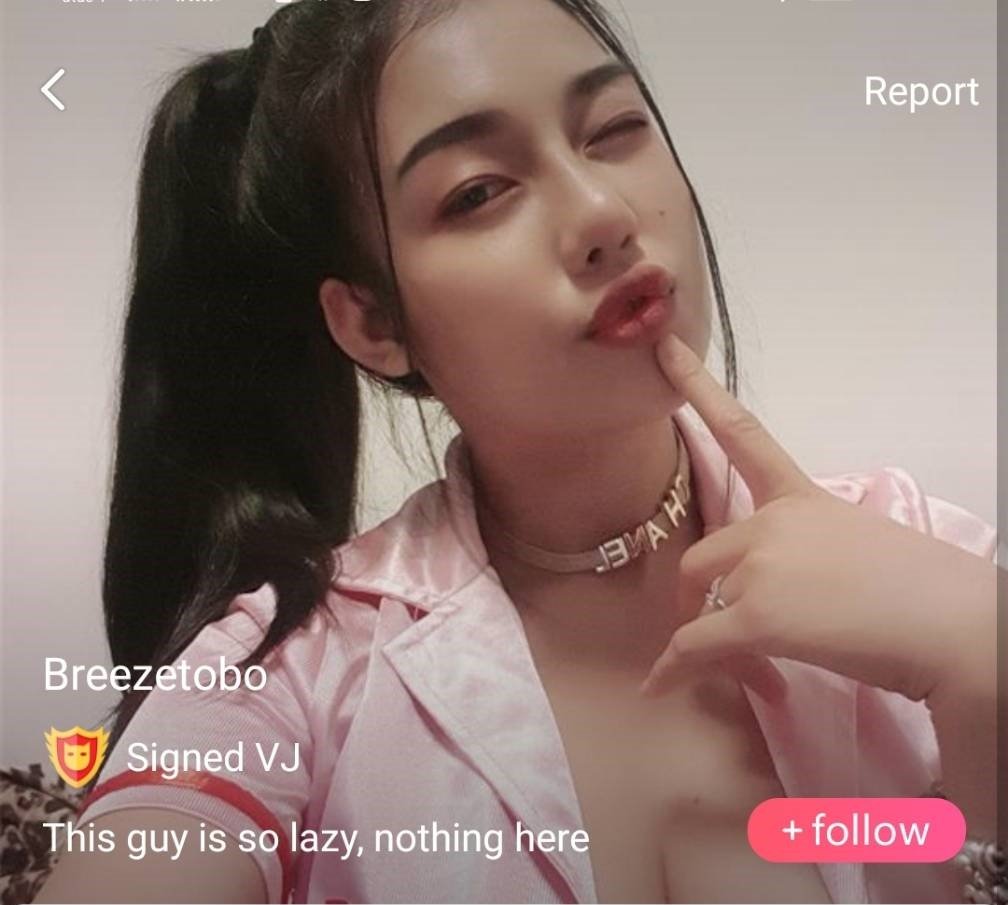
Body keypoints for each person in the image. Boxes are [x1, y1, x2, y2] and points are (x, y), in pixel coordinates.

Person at [36, 0, 1001, 902]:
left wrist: (983, 660)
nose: (603, 212)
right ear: (374, 323)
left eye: (613, 129)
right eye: (479, 192)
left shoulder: (921, 554)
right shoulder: (287, 676)